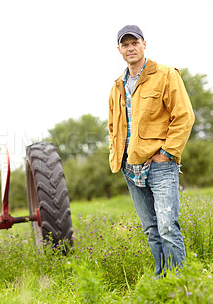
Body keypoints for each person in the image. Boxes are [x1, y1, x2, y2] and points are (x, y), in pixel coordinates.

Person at [108, 25, 195, 277]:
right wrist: (118, 157)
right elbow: (113, 126)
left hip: (159, 164)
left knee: (168, 227)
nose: (130, 48)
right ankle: (160, 280)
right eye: (125, 45)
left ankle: (179, 284)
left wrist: (168, 152)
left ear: (144, 44)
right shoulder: (116, 86)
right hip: (130, 166)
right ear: (119, 50)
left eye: (134, 42)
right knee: (151, 229)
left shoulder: (166, 75)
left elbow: (184, 117)